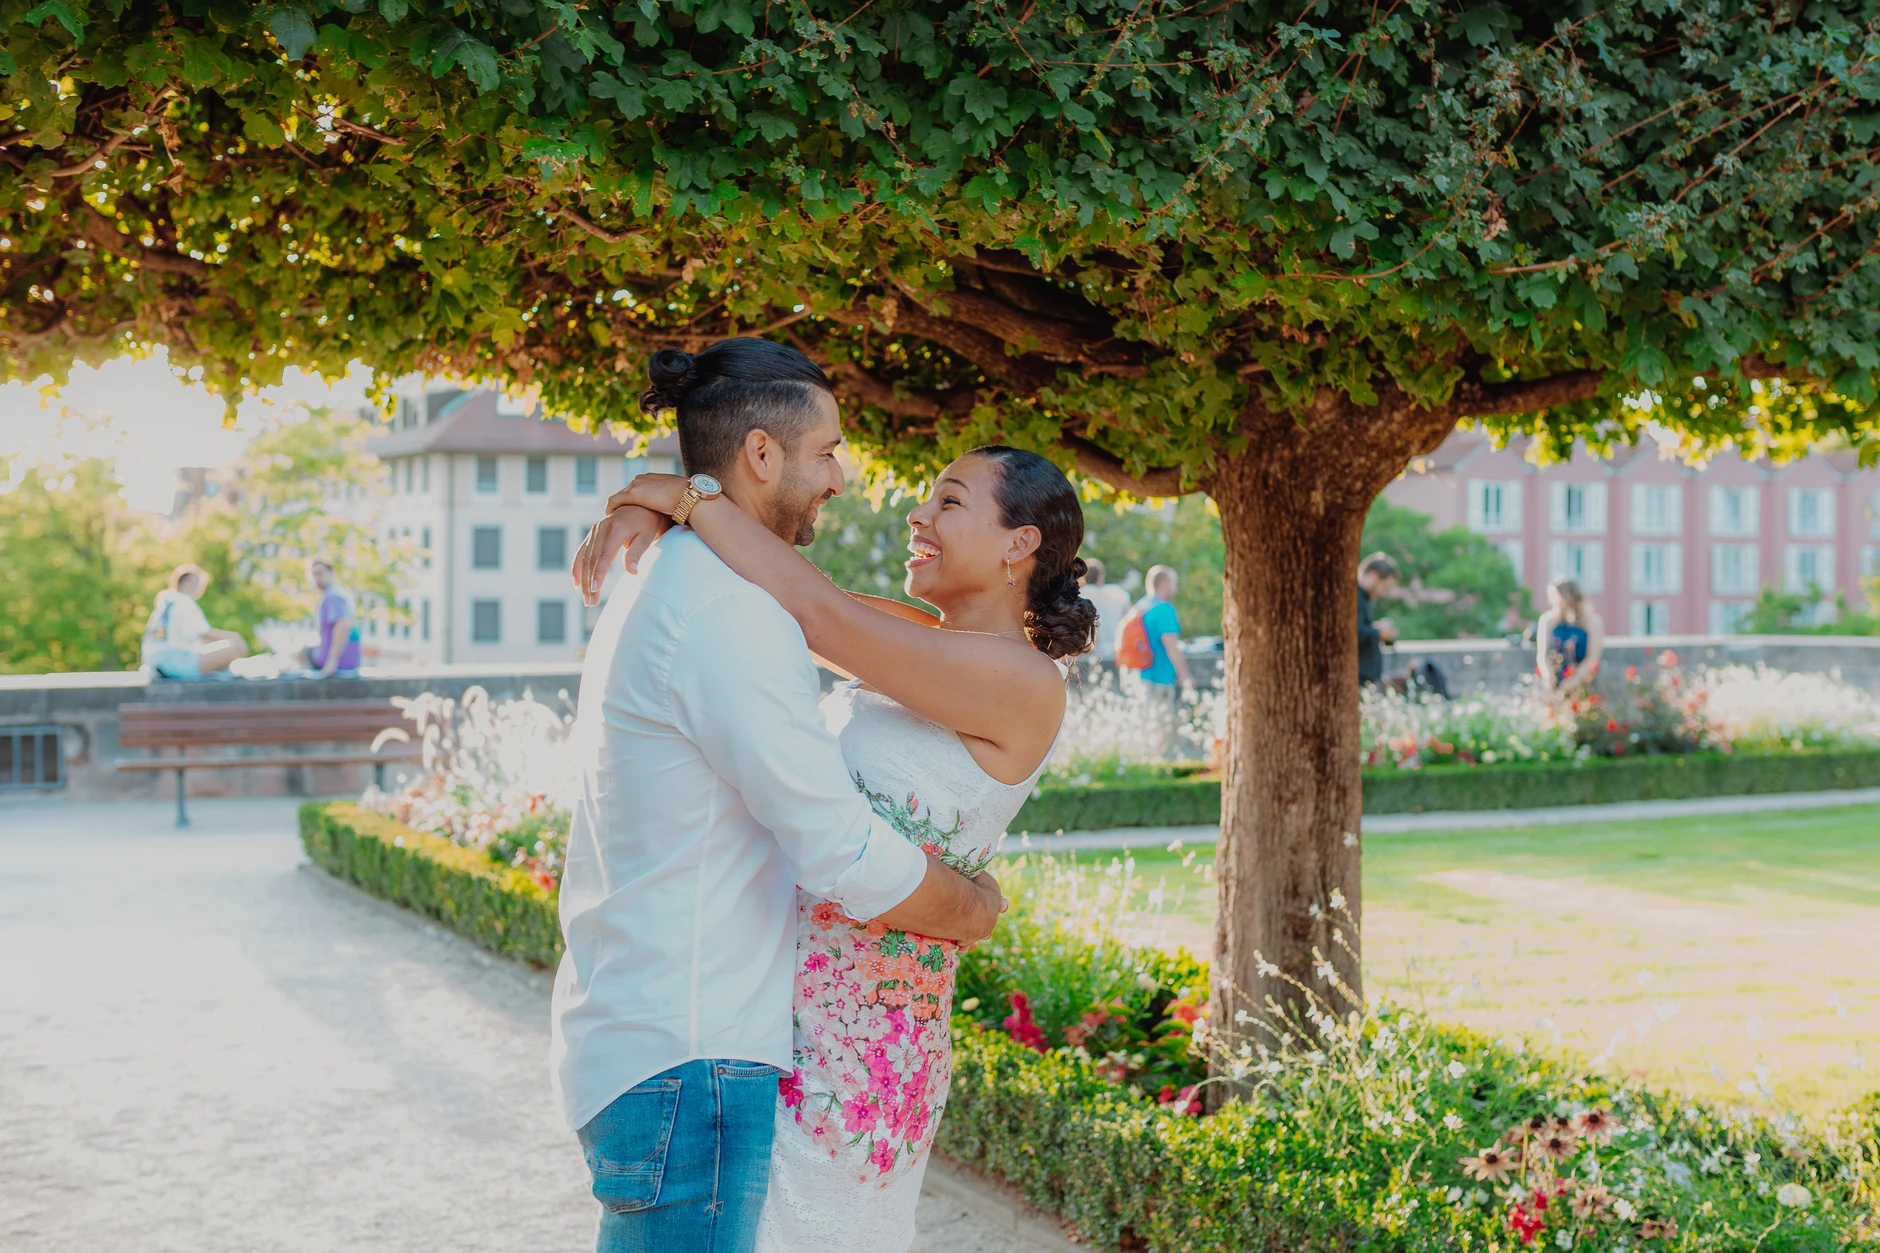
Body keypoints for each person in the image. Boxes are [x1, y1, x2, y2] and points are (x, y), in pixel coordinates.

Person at [566, 339, 1086, 1253]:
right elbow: (785, 595)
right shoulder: (913, 634)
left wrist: (685, 495)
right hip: (774, 1018)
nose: (916, 514)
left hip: (862, 1037)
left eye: (948, 501)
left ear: (1021, 543)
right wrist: (660, 506)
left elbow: (816, 615)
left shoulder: (1024, 683)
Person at [139, 563, 248, 678]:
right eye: (197, 583)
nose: (199, 588)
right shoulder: (183, 600)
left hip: (153, 661)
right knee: (232, 649)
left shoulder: (166, 601)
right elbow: (204, 634)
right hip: (175, 662)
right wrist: (234, 638)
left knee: (213, 653)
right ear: (185, 582)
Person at [1537, 576, 1605, 692]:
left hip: (1583, 682)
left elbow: (1593, 657)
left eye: (1554, 596)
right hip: (1554, 682)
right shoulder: (1548, 620)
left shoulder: (1592, 622)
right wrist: (1549, 677)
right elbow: (1542, 655)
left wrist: (1574, 680)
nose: (1551, 601)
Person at [296, 558, 362, 678]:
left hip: (333, 661)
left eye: (320, 573)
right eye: (313, 574)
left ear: (331, 573)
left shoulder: (332, 595)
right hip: (348, 662)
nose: (317, 578)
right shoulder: (340, 593)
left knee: (297, 654)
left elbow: (343, 624)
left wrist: (332, 661)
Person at [1357, 552, 1401, 687]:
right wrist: (1378, 632)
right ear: (1374, 576)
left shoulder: (1366, 598)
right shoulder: (1356, 596)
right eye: (1385, 586)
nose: (1384, 592)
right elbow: (1353, 632)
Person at [1080, 558, 1132, 661]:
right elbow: (1130, 618)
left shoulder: (1081, 594)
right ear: (1100, 577)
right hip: (1117, 649)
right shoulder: (1118, 593)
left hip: (1092, 652)